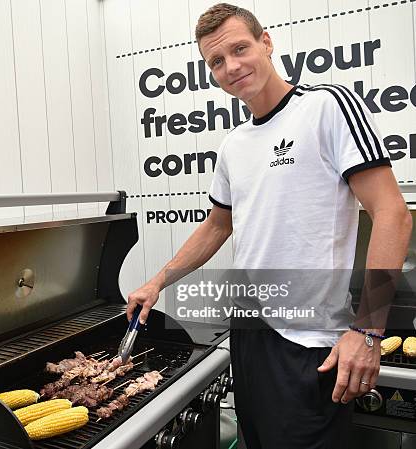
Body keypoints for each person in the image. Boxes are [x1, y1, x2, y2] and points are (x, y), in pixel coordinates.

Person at [125, 3, 412, 448]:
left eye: (240, 49)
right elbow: (218, 226)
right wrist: (157, 281)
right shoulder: (234, 145)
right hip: (249, 333)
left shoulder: (326, 106)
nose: (231, 67)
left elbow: (392, 213)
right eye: (216, 61)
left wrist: (369, 330)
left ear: (267, 42)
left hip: (310, 342)